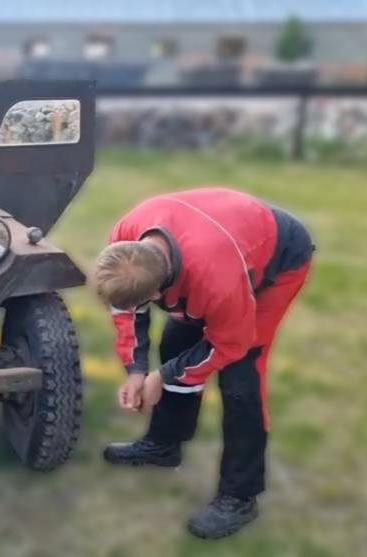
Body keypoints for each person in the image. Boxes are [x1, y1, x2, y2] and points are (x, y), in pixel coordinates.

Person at [92, 187, 314, 540]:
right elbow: (126, 314)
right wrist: (136, 371)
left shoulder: (215, 281)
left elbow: (231, 343)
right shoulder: (125, 242)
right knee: (176, 343)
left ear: (157, 294)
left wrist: (161, 377)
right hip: (218, 245)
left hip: (280, 257)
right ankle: (164, 445)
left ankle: (240, 497)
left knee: (240, 377)